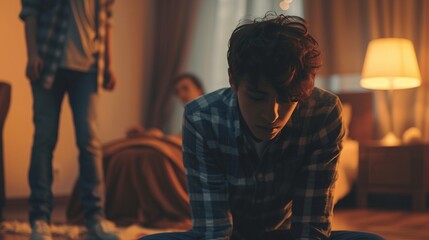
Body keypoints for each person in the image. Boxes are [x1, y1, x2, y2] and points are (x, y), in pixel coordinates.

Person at [141, 14, 384, 240]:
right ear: (233, 81)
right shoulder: (202, 117)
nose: (272, 115)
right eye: (257, 97)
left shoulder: (324, 112)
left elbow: (311, 227)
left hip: (286, 234)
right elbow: (213, 229)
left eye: (288, 100)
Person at [20, 1, 119, 239]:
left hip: (88, 68)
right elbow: (30, 12)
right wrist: (32, 54)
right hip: (47, 62)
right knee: (44, 139)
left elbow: (106, 19)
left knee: (89, 141)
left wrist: (108, 64)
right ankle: (40, 219)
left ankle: (96, 219)